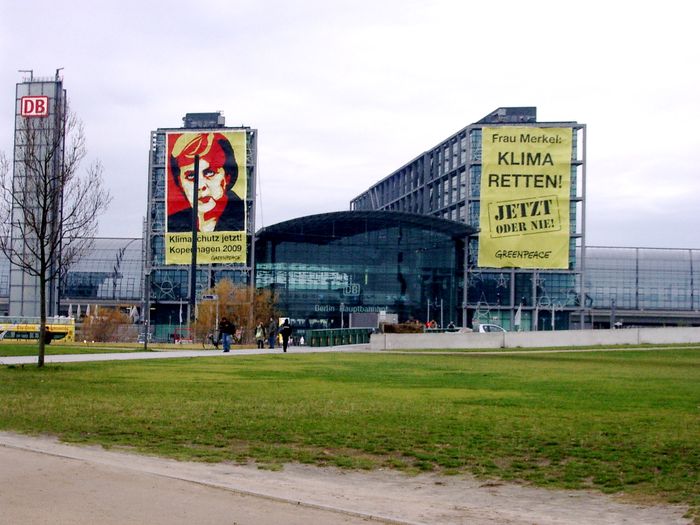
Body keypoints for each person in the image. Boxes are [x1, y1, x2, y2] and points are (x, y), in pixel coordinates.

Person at [167, 132, 245, 232]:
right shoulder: (173, 224)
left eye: (209, 173)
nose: (200, 185)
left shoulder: (242, 216)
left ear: (227, 176)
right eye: (191, 176)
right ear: (180, 183)